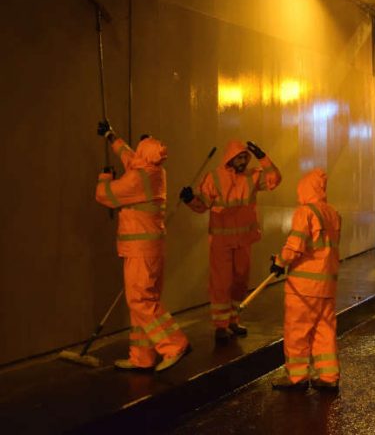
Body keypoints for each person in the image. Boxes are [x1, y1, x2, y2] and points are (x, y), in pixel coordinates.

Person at [95, 122, 190, 372]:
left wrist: (105, 177)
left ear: (144, 155)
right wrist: (111, 137)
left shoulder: (138, 180)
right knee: (143, 301)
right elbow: (130, 157)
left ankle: (174, 344)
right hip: (150, 248)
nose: (134, 154)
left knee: (140, 300)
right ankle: (142, 357)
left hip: (140, 249)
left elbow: (104, 196)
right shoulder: (153, 171)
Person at [180, 140, 281, 341]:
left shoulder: (253, 176)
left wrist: (263, 156)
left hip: (243, 241)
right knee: (221, 283)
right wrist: (190, 199)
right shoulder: (214, 178)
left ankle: (233, 320)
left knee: (240, 281)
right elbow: (203, 206)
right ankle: (220, 325)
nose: (243, 161)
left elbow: (275, 179)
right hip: (221, 241)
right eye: (239, 157)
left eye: (245, 157)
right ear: (230, 158)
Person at [269, 168, 341, 391]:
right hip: (326, 286)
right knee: (324, 331)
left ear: (304, 189)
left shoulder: (305, 213)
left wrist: (279, 262)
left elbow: (295, 245)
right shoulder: (333, 214)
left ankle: (297, 378)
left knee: (297, 332)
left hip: (303, 287)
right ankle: (329, 377)